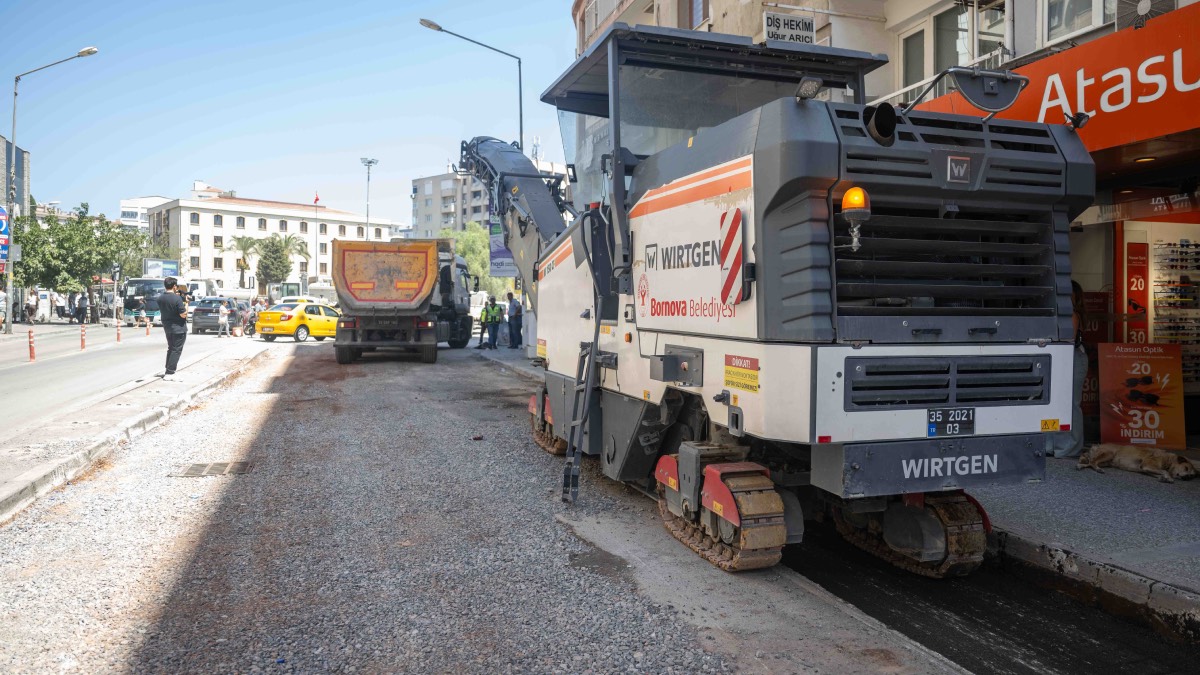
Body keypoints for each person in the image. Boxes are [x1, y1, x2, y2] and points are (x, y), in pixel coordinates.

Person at [1051, 281, 1087, 458]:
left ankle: (1071, 446)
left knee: (1071, 404)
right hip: (1063, 358)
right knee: (1057, 404)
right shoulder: (1065, 314)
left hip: (1073, 358)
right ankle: (1055, 444)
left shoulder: (1072, 315)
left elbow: (1068, 340)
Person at [157, 277, 189, 381]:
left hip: (167, 327)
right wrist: (187, 304)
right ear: (174, 286)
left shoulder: (160, 298)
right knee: (176, 349)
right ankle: (170, 373)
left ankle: (167, 369)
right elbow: (183, 314)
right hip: (178, 328)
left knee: (171, 348)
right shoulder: (177, 299)